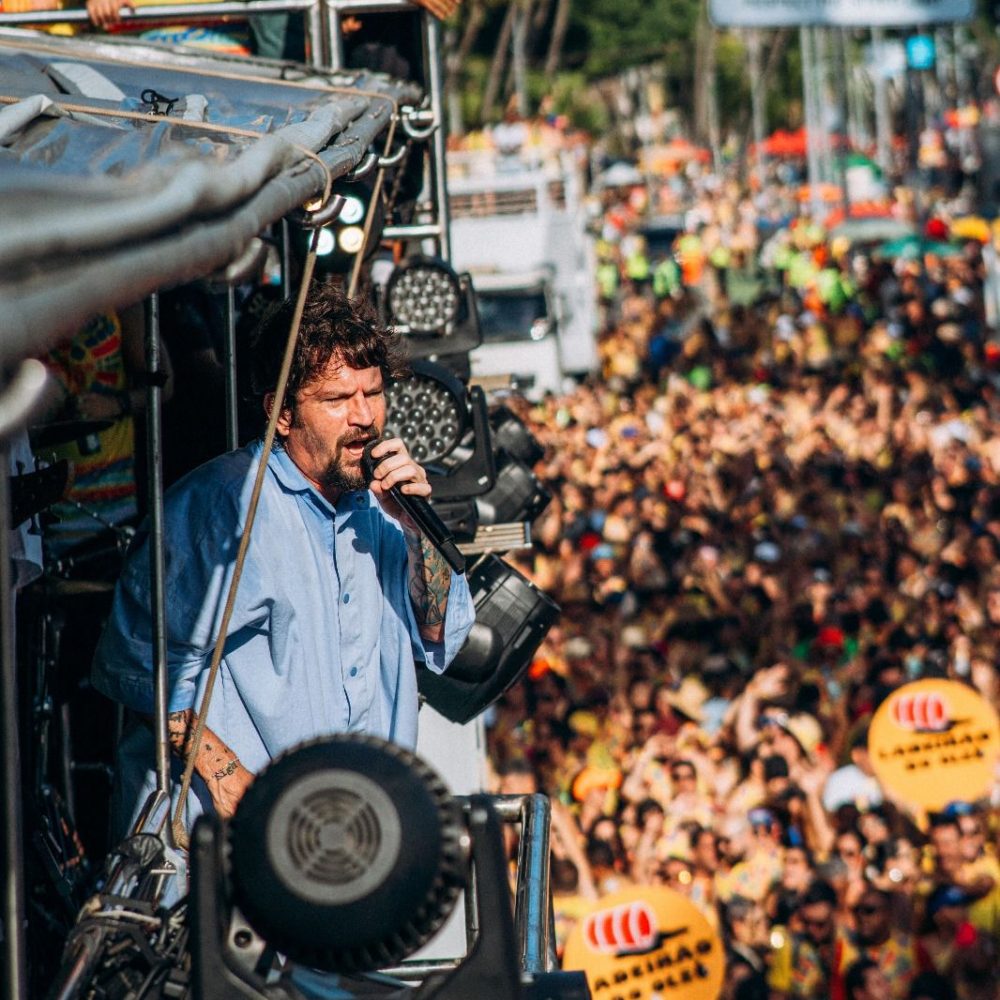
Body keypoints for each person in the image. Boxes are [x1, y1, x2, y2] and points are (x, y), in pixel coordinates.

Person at [92, 283, 474, 840]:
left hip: (352, 838)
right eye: (337, 399)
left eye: (373, 393)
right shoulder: (222, 508)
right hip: (227, 844)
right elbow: (142, 668)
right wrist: (229, 779)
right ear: (283, 412)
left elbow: (440, 630)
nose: (363, 416)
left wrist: (416, 529)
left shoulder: (390, 507)